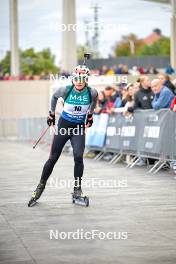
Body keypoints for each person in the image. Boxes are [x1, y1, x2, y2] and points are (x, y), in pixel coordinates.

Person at [29, 65, 98, 203]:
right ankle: (40, 186)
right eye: (77, 78)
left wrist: (90, 115)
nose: (79, 81)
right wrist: (51, 114)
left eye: (82, 79)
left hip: (78, 128)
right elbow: (54, 97)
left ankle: (77, 189)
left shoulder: (92, 92)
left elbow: (93, 103)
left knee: (78, 157)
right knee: (53, 158)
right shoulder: (66, 90)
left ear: (86, 79)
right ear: (73, 78)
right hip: (64, 127)